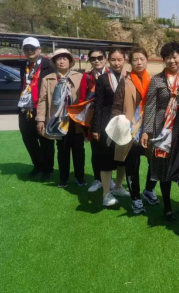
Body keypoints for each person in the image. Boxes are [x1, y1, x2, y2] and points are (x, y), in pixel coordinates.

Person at [141, 42, 179, 221]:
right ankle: (168, 208)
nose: (172, 60)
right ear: (163, 60)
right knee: (163, 169)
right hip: (161, 128)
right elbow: (150, 106)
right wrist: (147, 131)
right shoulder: (157, 80)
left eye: (175, 56)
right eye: (168, 57)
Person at [112, 46, 158, 214]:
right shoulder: (125, 81)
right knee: (132, 165)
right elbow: (116, 106)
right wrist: (119, 124)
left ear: (147, 60)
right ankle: (135, 198)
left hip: (151, 129)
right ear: (130, 62)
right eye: (135, 59)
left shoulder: (153, 80)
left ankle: (149, 189)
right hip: (130, 130)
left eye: (142, 59)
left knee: (155, 162)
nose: (139, 62)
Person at [36, 49, 87, 188]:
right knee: (62, 149)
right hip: (58, 120)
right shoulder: (48, 79)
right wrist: (40, 119)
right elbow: (42, 100)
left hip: (75, 120)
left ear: (70, 61)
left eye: (65, 58)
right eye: (58, 59)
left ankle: (80, 177)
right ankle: (63, 178)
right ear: (54, 62)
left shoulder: (80, 77)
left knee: (78, 150)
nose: (62, 61)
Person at [91, 48, 130, 207]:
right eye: (113, 59)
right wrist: (95, 128)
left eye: (119, 59)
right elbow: (98, 105)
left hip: (125, 124)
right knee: (105, 159)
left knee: (122, 159)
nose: (116, 63)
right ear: (108, 60)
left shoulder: (130, 77)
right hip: (106, 125)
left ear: (125, 59)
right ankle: (106, 194)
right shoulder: (102, 79)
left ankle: (119, 186)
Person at [18, 37, 55, 181]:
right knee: (29, 140)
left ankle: (48, 169)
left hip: (42, 108)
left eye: (32, 48)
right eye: (26, 48)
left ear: (39, 49)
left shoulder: (49, 65)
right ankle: (38, 165)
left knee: (45, 141)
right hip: (25, 109)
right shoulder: (24, 65)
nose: (29, 51)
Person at [78, 49, 109, 193]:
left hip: (109, 117)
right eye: (93, 58)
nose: (97, 60)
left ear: (105, 58)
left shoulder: (112, 74)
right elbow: (82, 99)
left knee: (109, 151)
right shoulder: (87, 77)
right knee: (96, 151)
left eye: (100, 57)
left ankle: (109, 179)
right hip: (93, 118)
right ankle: (97, 179)